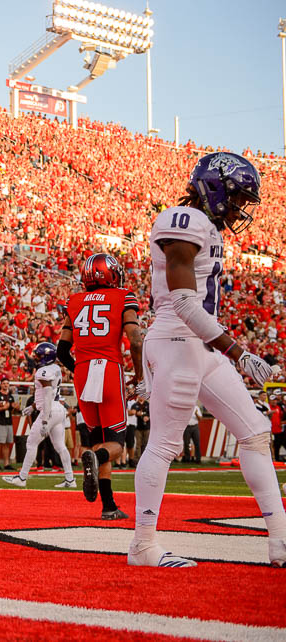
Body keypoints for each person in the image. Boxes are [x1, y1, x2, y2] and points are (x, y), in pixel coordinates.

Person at [129, 153, 285, 568]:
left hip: (198, 344)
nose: (239, 210)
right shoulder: (182, 220)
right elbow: (181, 300)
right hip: (180, 340)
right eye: (236, 198)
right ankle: (143, 545)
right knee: (164, 443)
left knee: (254, 432)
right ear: (215, 188)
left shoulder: (205, 227)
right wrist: (238, 350)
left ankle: (281, 542)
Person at [56, 253, 142, 520]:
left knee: (96, 440)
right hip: (108, 368)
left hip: (82, 371)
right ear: (111, 274)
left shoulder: (74, 300)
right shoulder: (123, 296)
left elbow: (61, 351)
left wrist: (79, 370)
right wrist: (139, 376)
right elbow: (136, 341)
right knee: (115, 441)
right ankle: (98, 465)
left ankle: (108, 505)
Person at [3, 343, 75, 489]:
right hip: (59, 409)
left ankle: (22, 477)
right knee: (60, 446)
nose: (35, 357)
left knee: (31, 442)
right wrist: (33, 406)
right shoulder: (55, 368)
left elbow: (48, 394)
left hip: (50, 410)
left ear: (45, 357)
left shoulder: (43, 371)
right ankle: (70, 479)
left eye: (38, 355)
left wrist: (44, 419)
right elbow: (49, 394)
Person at [0, 379, 18, 470]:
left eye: (7, 383)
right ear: (0, 385)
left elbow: (12, 411)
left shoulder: (10, 396)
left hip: (8, 422)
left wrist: (15, 407)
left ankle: (6, 463)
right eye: (4, 383)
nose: (6, 385)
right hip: (0, 422)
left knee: (7, 443)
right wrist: (3, 408)